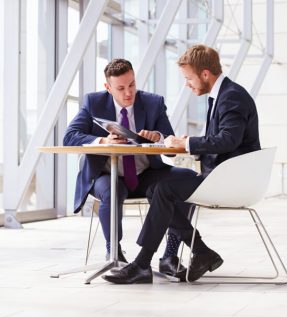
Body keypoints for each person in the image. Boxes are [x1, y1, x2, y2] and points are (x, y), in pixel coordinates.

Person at [103, 44, 261, 284]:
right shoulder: (223, 94)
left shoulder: (231, 97)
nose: (187, 84)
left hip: (232, 180)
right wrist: (187, 144)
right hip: (225, 175)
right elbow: (223, 141)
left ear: (205, 74)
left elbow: (228, 140)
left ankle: (143, 264)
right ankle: (199, 251)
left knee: (163, 189)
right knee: (159, 188)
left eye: (189, 78)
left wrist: (187, 144)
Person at [63, 58, 196, 277]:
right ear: (108, 88)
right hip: (107, 174)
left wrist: (159, 138)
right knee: (113, 190)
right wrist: (104, 141)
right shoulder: (93, 102)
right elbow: (70, 137)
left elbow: (171, 147)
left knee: (184, 180)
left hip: (145, 175)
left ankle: (170, 255)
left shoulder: (153, 103)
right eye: (121, 88)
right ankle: (113, 253)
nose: (128, 93)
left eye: (132, 85)